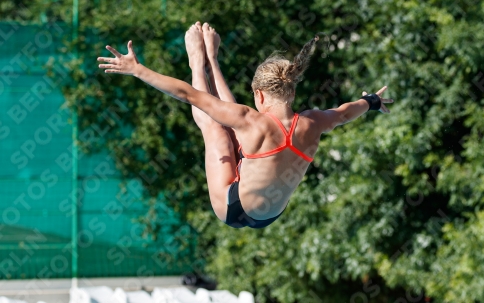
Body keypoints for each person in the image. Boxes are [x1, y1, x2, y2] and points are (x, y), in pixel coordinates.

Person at [97, 21, 393, 229]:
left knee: (216, 130)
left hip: (232, 207)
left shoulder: (251, 121)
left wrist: (137, 69)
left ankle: (198, 61)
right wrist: (371, 102)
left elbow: (190, 95)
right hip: (269, 215)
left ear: (259, 94)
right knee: (235, 123)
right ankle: (212, 59)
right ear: (291, 91)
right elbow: (344, 113)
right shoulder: (313, 122)